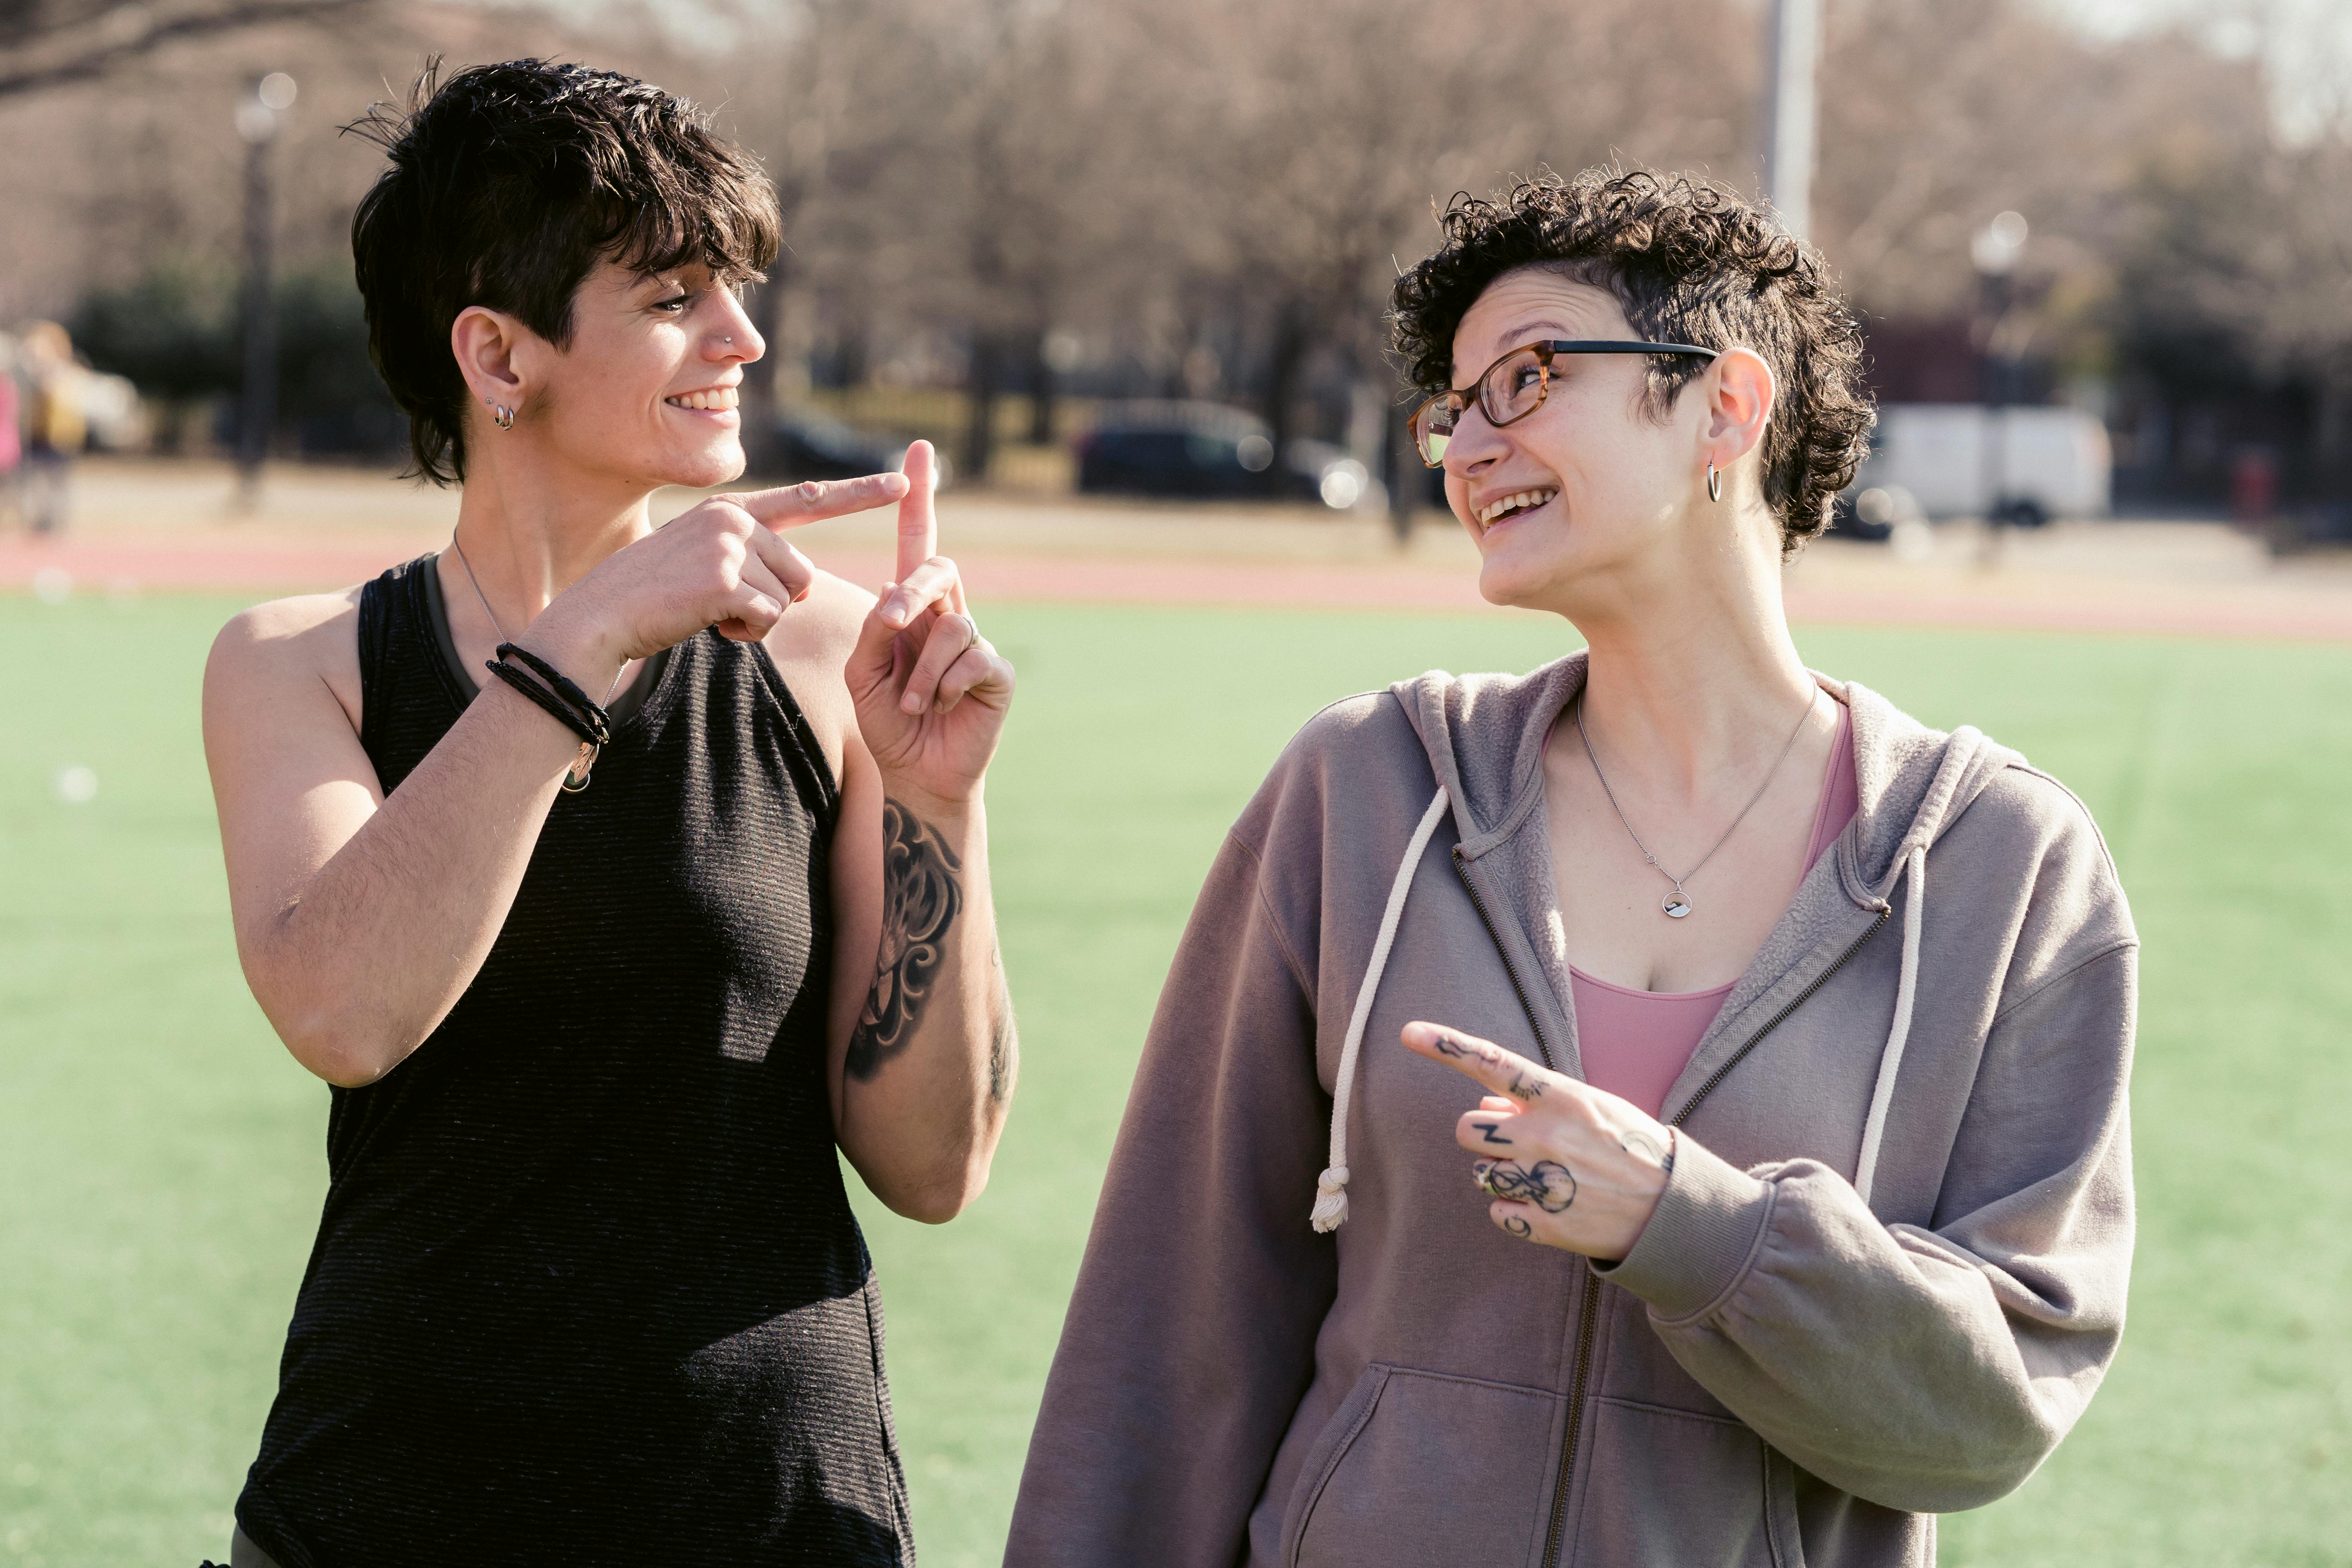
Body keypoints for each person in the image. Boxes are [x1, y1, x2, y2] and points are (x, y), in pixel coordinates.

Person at [1008, 169, 2134, 1567]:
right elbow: (1165, 1324)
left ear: (1725, 404)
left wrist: (1689, 1220)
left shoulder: (2000, 864)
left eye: (1526, 378)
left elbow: (1980, 1416)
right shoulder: (1362, 790)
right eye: (1453, 404)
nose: (1466, 445)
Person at [200, 60, 1017, 1568]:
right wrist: (583, 638)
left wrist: (935, 802)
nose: (743, 337)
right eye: (672, 294)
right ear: (496, 351)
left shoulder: (831, 653)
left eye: (739, 287)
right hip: (388, 1509)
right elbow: (346, 1012)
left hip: (771, 1516)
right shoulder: (298, 666)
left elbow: (931, 1168)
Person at [19, 321, 83, 535]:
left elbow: (59, 394)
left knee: (57, 484)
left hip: (61, 437)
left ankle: (55, 525)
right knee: (34, 483)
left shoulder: (67, 372)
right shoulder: (29, 372)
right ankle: (39, 523)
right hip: (37, 435)